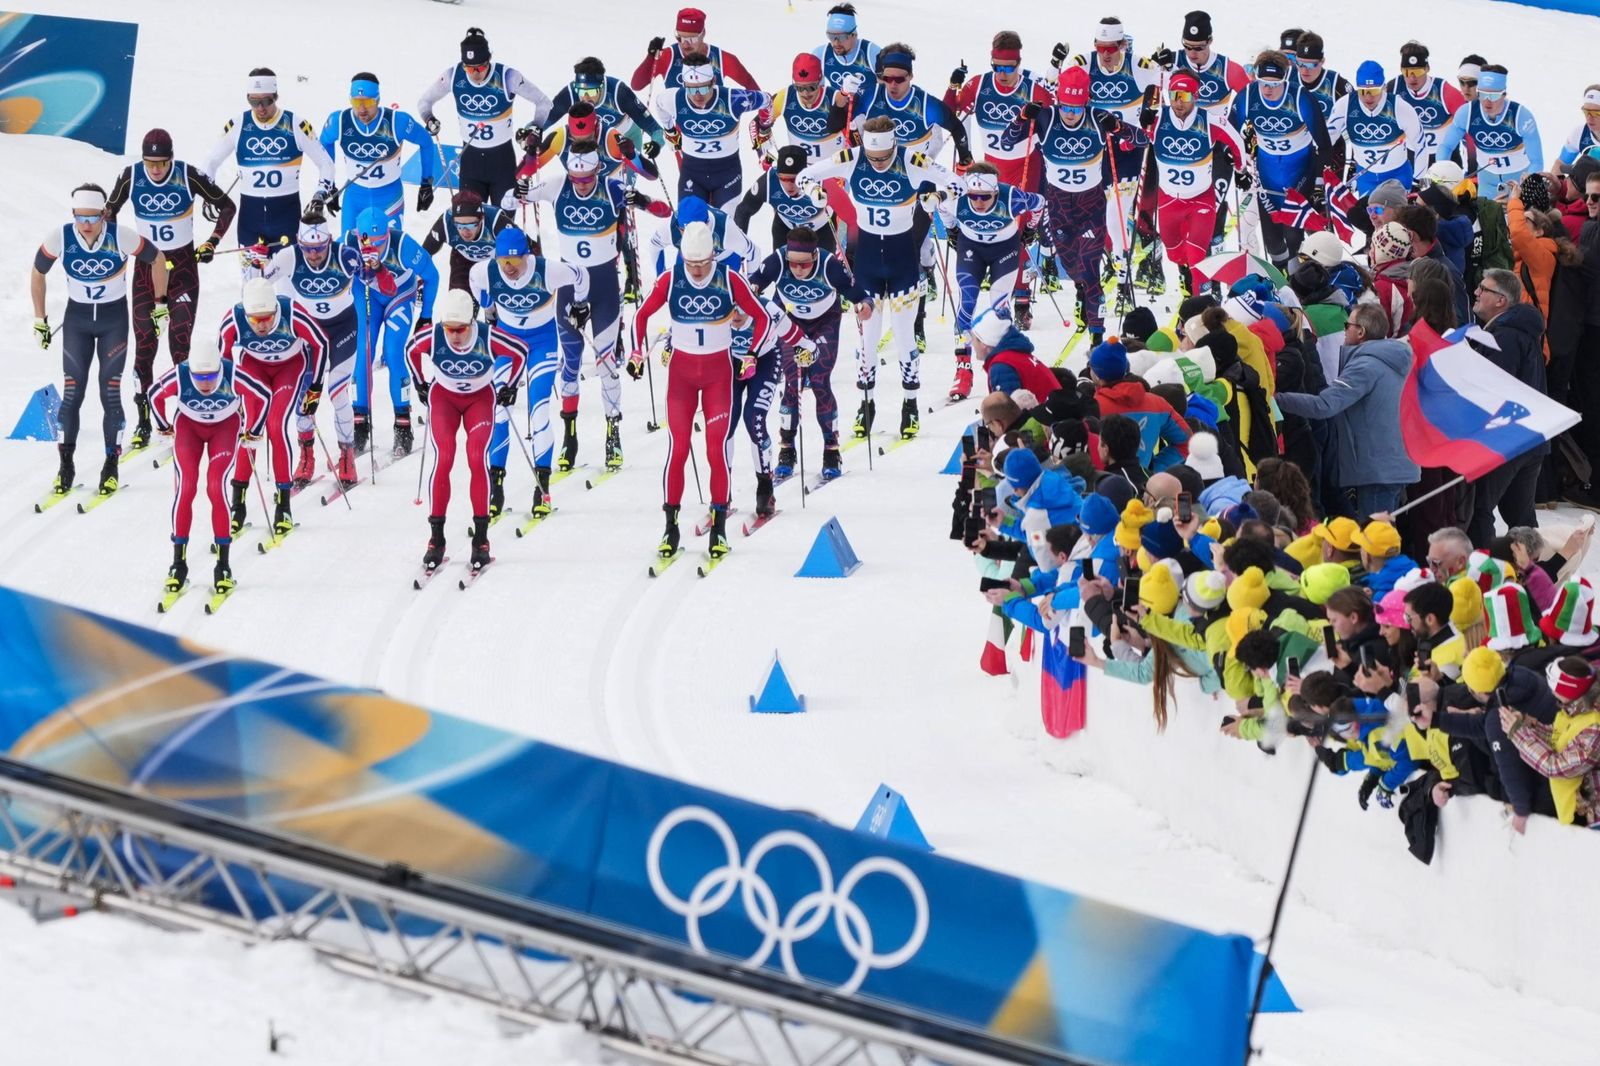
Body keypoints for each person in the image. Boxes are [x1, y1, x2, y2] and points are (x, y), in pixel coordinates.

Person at [628, 222, 808, 561]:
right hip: (682, 375)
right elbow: (641, 315)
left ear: (713, 256)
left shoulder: (729, 278)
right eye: (691, 264)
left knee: (715, 449)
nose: (696, 272)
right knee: (678, 448)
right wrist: (637, 353)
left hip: (718, 375)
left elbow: (763, 318)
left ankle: (720, 527)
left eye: (702, 264)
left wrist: (752, 353)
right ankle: (670, 526)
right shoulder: (671, 278)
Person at [798, 115, 958, 440]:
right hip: (867, 263)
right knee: (867, 341)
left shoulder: (911, 161)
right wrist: (814, 191)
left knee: (903, 339)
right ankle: (865, 404)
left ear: (893, 147)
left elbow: (960, 182)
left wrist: (939, 198)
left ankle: (910, 404)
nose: (879, 163)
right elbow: (804, 175)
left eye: (883, 158)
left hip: (902, 262)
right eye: (873, 158)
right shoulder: (851, 159)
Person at [510, 144, 654, 473]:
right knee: (570, 365)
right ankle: (569, 436)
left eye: (587, 178)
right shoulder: (558, 184)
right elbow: (515, 194)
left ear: (597, 171)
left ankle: (612, 432)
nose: (581, 184)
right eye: (577, 178)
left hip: (603, 289)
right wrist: (522, 177)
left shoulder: (612, 187)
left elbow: (660, 209)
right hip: (567, 289)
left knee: (606, 364)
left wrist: (639, 200)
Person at [31, 183, 168, 499]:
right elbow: (37, 272)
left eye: (93, 217)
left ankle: (110, 466)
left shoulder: (120, 236)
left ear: (104, 213)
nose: (87, 225)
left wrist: (160, 303)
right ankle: (66, 466)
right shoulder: (60, 237)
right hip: (77, 322)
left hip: (113, 322)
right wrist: (40, 318)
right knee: (72, 392)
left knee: (109, 391)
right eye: (81, 218)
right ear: (73, 215)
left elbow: (157, 258)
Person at [105, 128, 237, 452]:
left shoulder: (187, 175)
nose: (156, 170)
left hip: (182, 270)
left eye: (161, 163)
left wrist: (211, 242)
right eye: (151, 163)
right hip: (146, 272)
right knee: (145, 345)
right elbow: (109, 213)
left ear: (171, 159)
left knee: (179, 341)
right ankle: (144, 419)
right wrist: (114, 248)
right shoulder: (131, 176)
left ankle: (184, 414)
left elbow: (228, 206)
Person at [470, 226, 589, 519]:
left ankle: (542, 485)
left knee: (538, 407)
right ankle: (496, 485)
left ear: (527, 256)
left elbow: (580, 274)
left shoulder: (547, 270)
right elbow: (475, 281)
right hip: (508, 343)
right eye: (503, 262)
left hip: (542, 342)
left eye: (515, 262)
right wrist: (488, 308)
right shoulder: (486, 271)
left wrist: (580, 305)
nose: (509, 269)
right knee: (498, 409)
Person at [406, 289, 527, 577]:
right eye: (449, 329)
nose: (454, 336)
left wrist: (510, 385)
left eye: (460, 330)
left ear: (471, 324)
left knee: (476, 457)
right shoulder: (435, 335)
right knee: (445, 456)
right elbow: (411, 350)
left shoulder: (486, 336)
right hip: (444, 398)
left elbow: (520, 351)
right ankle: (436, 538)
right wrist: (420, 383)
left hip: (479, 399)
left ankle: (481, 539)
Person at [747, 225, 871, 482]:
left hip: (824, 323)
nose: (798, 270)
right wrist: (752, 293)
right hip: (789, 323)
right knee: (792, 384)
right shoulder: (779, 261)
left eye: (804, 265)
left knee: (819, 381)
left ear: (814, 256)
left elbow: (857, 292)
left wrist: (865, 305)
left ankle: (831, 450)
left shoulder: (829, 265)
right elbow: (752, 285)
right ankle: (787, 449)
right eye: (794, 264)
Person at [148, 340, 270, 600]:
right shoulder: (181, 374)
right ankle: (178, 565)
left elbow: (263, 394)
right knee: (186, 488)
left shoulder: (231, 372)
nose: (204, 383)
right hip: (189, 430)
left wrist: (255, 429)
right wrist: (162, 425)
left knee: (216, 487)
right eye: (199, 377)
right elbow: (152, 394)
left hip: (224, 429)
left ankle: (223, 566)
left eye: (211, 376)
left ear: (219, 370)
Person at [1003, 65, 1114, 347]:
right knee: (1072, 266)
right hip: (1060, 206)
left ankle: (1096, 338)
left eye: (1076, 108)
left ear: (1086, 102)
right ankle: (1080, 290)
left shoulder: (1097, 118)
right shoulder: (1046, 117)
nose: (1070, 114)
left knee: (1091, 272)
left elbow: (1139, 140)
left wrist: (1120, 131)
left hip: (1091, 205)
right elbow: (1007, 141)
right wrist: (1021, 117)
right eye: (1066, 106)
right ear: (1058, 100)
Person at [1275, 302, 1419, 516]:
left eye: (1347, 325)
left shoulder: (1365, 366)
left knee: (1374, 542)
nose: (1344, 330)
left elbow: (1324, 405)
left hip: (1377, 471)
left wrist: (1276, 399)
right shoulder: (1395, 360)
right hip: (1394, 465)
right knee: (1383, 536)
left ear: (1361, 332)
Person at [217, 278, 328, 540]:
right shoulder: (234, 319)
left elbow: (320, 343)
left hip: (289, 367)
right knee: (249, 429)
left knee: (275, 425)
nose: (262, 325)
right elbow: (224, 360)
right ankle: (238, 505)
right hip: (253, 368)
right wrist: (231, 396)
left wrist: (315, 388)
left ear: (276, 310)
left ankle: (284, 506)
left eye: (267, 317)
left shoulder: (292, 312)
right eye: (255, 320)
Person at [266, 211, 362, 490]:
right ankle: (306, 453)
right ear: (299, 242)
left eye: (320, 248)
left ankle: (346, 454)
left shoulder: (344, 255)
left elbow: (381, 283)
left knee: (337, 391)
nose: (314, 255)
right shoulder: (289, 257)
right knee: (304, 392)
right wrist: (257, 262)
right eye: (308, 248)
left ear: (329, 241)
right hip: (307, 330)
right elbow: (257, 282)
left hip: (343, 328)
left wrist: (373, 265)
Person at [937, 164, 1043, 390]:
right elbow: (942, 207)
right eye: (973, 196)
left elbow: (1040, 202)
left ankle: (1003, 366)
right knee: (967, 301)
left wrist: (1031, 229)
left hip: (1004, 251)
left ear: (995, 192)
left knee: (999, 308)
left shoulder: (1011, 197)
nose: (977, 202)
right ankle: (962, 370)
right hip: (971, 249)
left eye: (984, 197)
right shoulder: (957, 196)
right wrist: (952, 230)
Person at [418, 27, 552, 205]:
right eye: (469, 68)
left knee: (503, 225)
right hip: (470, 164)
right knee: (470, 224)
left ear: (489, 60)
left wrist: (535, 128)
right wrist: (429, 118)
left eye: (480, 67)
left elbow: (543, 102)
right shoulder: (453, 76)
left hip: (502, 164)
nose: (475, 73)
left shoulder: (507, 77)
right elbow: (424, 102)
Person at [346, 206, 439, 458]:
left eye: (380, 241)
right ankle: (360, 423)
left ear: (388, 234)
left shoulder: (403, 245)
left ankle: (402, 423)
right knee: (363, 353)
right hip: (367, 296)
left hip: (400, 295)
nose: (374, 247)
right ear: (357, 234)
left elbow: (432, 275)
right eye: (368, 241)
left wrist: (426, 315)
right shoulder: (347, 242)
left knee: (393, 351)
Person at [206, 68, 335, 249]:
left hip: (287, 220)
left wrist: (320, 193)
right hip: (250, 222)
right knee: (252, 279)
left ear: (276, 96)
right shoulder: (237, 124)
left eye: (266, 101)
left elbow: (326, 163)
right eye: (253, 101)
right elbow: (211, 161)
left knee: (284, 278)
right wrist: (209, 193)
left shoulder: (295, 124)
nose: (260, 107)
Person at [1230, 49, 1335, 267]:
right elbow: (1229, 135)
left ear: (1285, 80)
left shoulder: (1300, 99)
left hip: (1299, 173)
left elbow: (1324, 146)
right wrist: (1238, 169)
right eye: (1263, 82)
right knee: (1273, 242)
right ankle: (1281, 283)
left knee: (1293, 235)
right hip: (1267, 175)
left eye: (1275, 84)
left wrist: (1317, 183)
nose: (1267, 89)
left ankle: (1300, 282)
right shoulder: (1248, 95)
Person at [1465, 269, 1546, 545]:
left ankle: (1484, 574)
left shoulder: (1505, 337)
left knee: (1480, 508)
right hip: (1530, 437)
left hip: (1508, 440)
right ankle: (1535, 576)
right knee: (1521, 518)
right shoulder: (1518, 332)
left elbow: (1495, 391)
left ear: (1501, 300)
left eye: (1483, 289)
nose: (1476, 292)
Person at [1148, 71, 1244, 293]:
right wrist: (1139, 130)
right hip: (1169, 200)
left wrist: (1240, 167)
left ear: (1196, 95)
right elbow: (1133, 138)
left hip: (1201, 199)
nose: (1178, 102)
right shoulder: (1158, 119)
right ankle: (1192, 277)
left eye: (1185, 95)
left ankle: (1199, 303)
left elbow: (1237, 141)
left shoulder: (1209, 121)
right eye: (1174, 95)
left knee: (1196, 256)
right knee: (1174, 253)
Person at [320, 72, 439, 235]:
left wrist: (426, 183)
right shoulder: (339, 121)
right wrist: (329, 185)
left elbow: (426, 142)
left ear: (377, 99)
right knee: (349, 252)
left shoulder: (397, 121)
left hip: (389, 197)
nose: (361, 109)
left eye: (368, 102)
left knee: (390, 251)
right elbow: (325, 143)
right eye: (356, 102)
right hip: (355, 197)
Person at [1170, 10, 1251, 246]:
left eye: (1199, 47)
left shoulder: (1228, 69)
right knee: (1186, 212)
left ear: (1210, 41)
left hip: (1217, 148)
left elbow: (1251, 100)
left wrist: (1241, 135)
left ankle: (1215, 253)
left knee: (1211, 207)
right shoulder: (1172, 62)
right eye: (1187, 47)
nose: (1192, 54)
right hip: (1183, 149)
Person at [650, 59, 773, 209]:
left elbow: (767, 100)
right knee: (690, 228)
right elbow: (659, 104)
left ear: (713, 81)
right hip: (692, 173)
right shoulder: (674, 99)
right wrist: (670, 131)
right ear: (683, 84)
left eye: (702, 89)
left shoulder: (733, 100)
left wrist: (764, 128)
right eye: (691, 89)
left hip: (727, 174)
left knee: (727, 227)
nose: (697, 96)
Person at [944, 30, 1053, 190]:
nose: (1002, 74)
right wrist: (953, 86)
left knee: (1023, 215)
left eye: (1008, 69)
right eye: (996, 67)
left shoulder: (1034, 91)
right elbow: (948, 115)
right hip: (990, 169)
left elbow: (1055, 124)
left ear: (1018, 62)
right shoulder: (979, 85)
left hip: (1025, 168)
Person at [1435, 65, 1542, 200]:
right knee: (1485, 219)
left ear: (1504, 94)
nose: (1487, 101)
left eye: (1494, 95)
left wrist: (1527, 183)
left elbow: (1537, 162)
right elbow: (1446, 146)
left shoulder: (1521, 116)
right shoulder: (1466, 113)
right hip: (1487, 181)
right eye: (1483, 94)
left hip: (1517, 181)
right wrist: (1441, 172)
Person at [1325, 61, 1422, 197]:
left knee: (1395, 217)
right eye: (1363, 91)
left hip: (1397, 176)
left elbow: (1421, 145)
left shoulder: (1400, 107)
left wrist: (1418, 181)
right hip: (1366, 177)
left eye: (1374, 91)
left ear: (1384, 88)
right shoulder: (1345, 105)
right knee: (1371, 216)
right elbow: (1326, 140)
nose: (1368, 97)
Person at [631, 7, 762, 93]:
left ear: (703, 33)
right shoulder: (667, 56)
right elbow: (636, 85)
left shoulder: (723, 59)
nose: (685, 44)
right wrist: (650, 57)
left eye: (692, 39)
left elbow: (752, 87)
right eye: (680, 38)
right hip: (677, 134)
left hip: (716, 131)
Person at [1388, 42, 1465, 173]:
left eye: (1418, 71)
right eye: (1407, 72)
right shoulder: (1393, 88)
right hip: (1410, 158)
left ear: (1427, 68)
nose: (1412, 77)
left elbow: (1470, 124)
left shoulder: (1444, 92)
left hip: (1445, 160)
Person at [766, 54, 853, 167]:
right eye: (799, 88)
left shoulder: (835, 98)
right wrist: (767, 156)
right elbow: (758, 124)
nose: (805, 93)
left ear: (820, 81)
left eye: (811, 87)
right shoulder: (785, 96)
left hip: (833, 169)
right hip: (800, 168)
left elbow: (857, 134)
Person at [421, 191, 513, 292]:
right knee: (460, 301)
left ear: (481, 219)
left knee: (499, 301)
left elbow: (529, 248)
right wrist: (420, 281)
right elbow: (424, 254)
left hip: (496, 259)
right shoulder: (445, 224)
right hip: (463, 258)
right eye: (459, 226)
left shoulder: (496, 221)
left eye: (470, 225)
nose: (465, 231)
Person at [814, 3, 879, 94]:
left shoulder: (871, 53)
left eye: (842, 37)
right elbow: (816, 97)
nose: (836, 42)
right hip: (840, 106)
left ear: (854, 35)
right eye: (831, 36)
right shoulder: (821, 55)